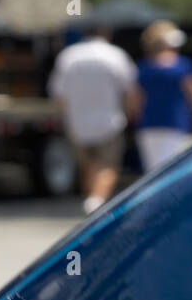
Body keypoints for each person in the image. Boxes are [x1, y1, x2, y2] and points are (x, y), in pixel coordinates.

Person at [48, 23, 141, 214]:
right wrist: (133, 113)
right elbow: (130, 90)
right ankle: (96, 202)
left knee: (87, 166)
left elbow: (58, 95)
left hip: (77, 122)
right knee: (108, 166)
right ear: (106, 34)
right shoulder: (115, 54)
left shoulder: (69, 56)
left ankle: (91, 200)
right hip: (109, 120)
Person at [134, 20, 192, 172]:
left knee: (153, 173)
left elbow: (136, 102)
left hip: (148, 127)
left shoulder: (143, 68)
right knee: (173, 171)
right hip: (175, 125)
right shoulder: (181, 65)